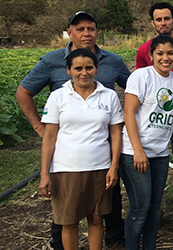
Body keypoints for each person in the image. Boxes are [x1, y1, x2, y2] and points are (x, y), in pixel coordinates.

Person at [16, 11, 129, 250]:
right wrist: (40, 128)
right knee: (67, 218)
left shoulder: (114, 63)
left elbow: (133, 91)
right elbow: (23, 92)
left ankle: (116, 241)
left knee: (103, 212)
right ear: (70, 32)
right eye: (80, 29)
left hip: (102, 155)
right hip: (66, 160)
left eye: (91, 28)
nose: (86, 33)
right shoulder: (51, 63)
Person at [38, 49, 123, 250]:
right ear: (68, 70)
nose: (84, 73)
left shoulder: (109, 96)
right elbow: (49, 137)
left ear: (96, 69)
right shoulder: (58, 97)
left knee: (96, 218)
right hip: (66, 168)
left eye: (89, 68)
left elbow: (116, 134)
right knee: (69, 221)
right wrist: (44, 173)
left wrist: (113, 167)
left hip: (100, 167)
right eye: (78, 68)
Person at [135, 2, 173, 227]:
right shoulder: (144, 50)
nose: (163, 23)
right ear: (152, 23)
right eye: (159, 19)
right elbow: (141, 81)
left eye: (167, 18)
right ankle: (155, 208)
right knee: (152, 161)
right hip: (154, 118)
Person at [120, 35, 173, 250]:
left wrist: (164, 131)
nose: (165, 58)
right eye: (160, 53)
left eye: (170, 53)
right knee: (140, 208)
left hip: (160, 154)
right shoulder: (141, 76)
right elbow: (128, 112)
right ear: (151, 55)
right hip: (134, 152)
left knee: (155, 207)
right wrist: (138, 149)